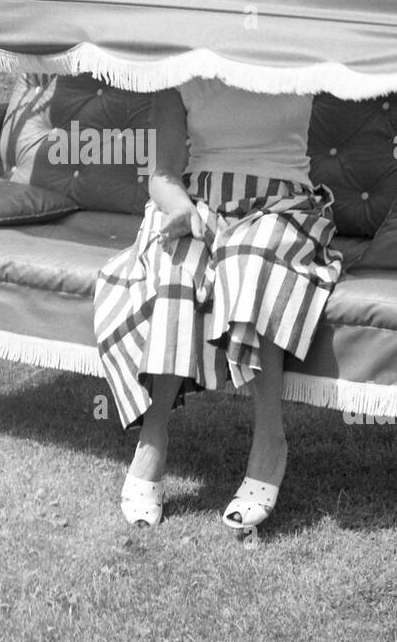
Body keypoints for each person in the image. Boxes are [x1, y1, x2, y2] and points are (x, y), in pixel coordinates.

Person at [93, 79, 343, 532]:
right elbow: (164, 175)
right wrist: (182, 211)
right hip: (199, 203)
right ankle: (153, 440)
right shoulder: (178, 61)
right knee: (173, 269)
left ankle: (271, 442)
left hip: (281, 206)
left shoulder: (299, 40)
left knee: (248, 263)